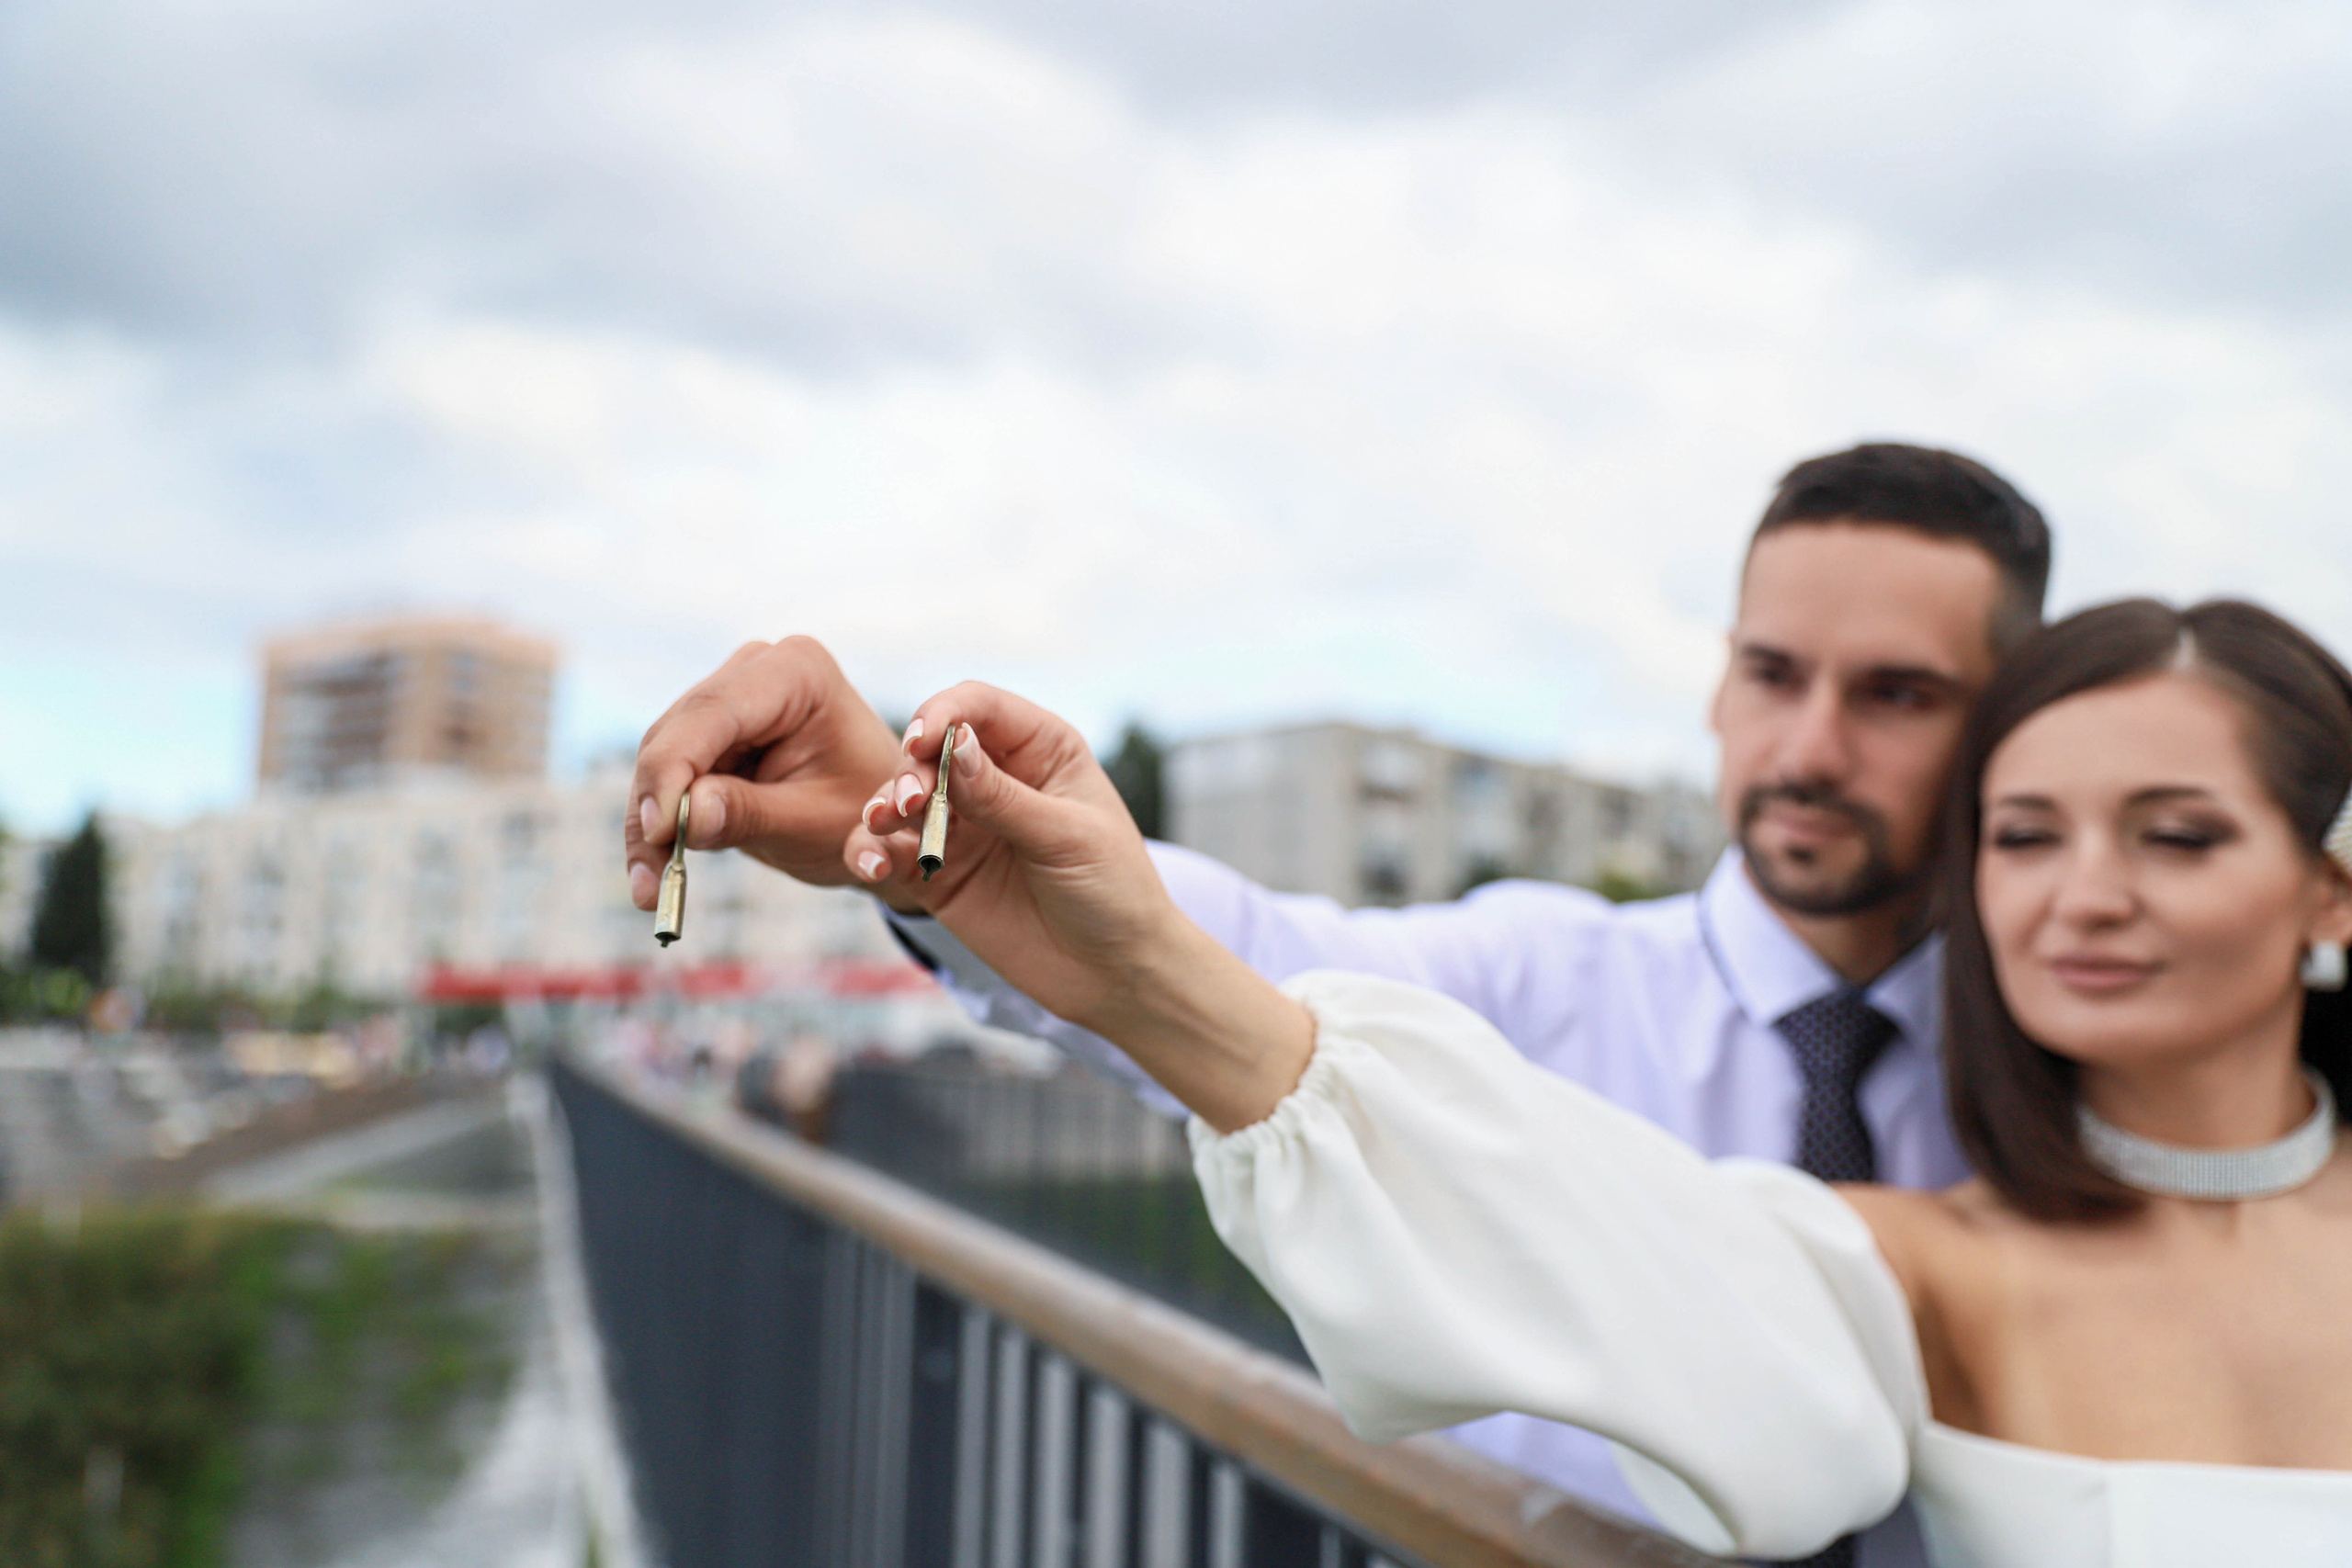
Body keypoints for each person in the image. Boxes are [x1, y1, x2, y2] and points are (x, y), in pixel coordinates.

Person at [626, 441, 2049, 1557]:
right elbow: (1255, 973)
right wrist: (938, 834)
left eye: (1898, 695)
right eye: (1773, 673)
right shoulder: (1542, 983)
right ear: (1719, 688)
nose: (1811, 745)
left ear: (2010, 728)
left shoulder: (2099, 1065)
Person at [847, 597, 2352, 1567]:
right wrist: (1134, 965)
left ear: (2330, 890)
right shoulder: (1915, 1265)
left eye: (2178, 835)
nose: (2083, 895)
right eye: (2025, 837)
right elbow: (1564, 1236)